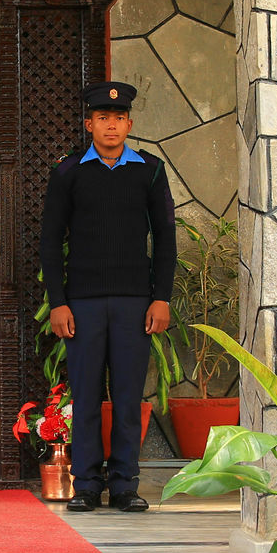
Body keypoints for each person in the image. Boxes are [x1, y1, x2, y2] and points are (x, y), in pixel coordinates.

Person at [39, 81, 176, 512]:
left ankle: (124, 487)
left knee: (129, 396)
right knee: (85, 393)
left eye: (118, 119)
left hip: (137, 303)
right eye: (102, 118)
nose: (110, 125)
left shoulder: (150, 170)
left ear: (129, 123)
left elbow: (166, 238)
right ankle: (85, 485)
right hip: (82, 304)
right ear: (90, 124)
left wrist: (162, 297)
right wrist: (58, 302)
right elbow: (48, 240)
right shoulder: (68, 171)